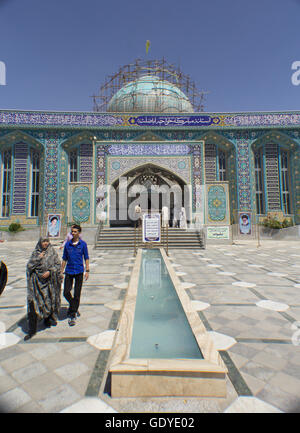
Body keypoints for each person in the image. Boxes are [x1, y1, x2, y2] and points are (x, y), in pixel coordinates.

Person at [24, 237, 62, 341]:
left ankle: (47, 319)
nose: (45, 243)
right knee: (34, 305)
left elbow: (58, 265)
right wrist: (38, 258)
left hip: (49, 284)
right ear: (40, 243)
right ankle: (31, 330)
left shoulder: (52, 252)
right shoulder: (36, 253)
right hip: (36, 285)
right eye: (43, 241)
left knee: (48, 302)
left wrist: (50, 271)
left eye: (47, 241)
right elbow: (29, 267)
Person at [61, 224, 89, 326]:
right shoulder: (68, 244)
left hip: (79, 271)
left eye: (75, 231)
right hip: (69, 270)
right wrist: (61, 270)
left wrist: (87, 270)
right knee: (66, 292)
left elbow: (86, 257)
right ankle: (73, 306)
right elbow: (64, 258)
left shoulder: (83, 244)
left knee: (77, 293)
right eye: (72, 231)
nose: (73, 233)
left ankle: (72, 314)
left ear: (79, 233)